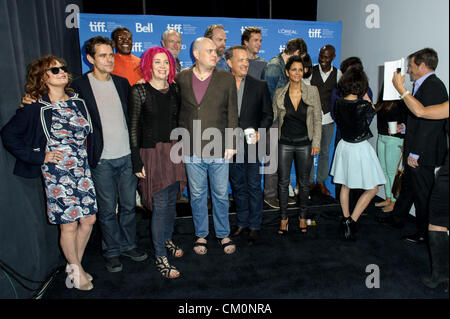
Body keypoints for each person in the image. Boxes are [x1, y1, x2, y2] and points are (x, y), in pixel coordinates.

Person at [2, 56, 96, 290]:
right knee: (69, 225)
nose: (62, 72)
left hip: (82, 168)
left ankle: (75, 266)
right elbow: (8, 135)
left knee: (89, 219)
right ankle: (76, 270)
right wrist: (40, 156)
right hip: (58, 172)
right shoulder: (37, 106)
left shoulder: (77, 101)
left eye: (63, 68)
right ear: (43, 77)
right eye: (55, 70)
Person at [72, 36, 148, 272]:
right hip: (101, 159)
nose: (108, 59)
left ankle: (128, 245)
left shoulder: (122, 83)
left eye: (110, 54)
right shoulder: (79, 87)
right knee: (106, 210)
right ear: (90, 58)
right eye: (102, 55)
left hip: (126, 157)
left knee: (127, 206)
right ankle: (112, 251)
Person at [128, 47, 187, 278]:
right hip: (152, 153)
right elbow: (133, 128)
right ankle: (160, 256)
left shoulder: (174, 89)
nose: (162, 66)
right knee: (160, 205)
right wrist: (136, 161)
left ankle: (167, 239)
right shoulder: (139, 91)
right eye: (157, 62)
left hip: (174, 151)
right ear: (149, 65)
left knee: (172, 201)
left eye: (166, 62)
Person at [176, 37, 238, 255]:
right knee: (197, 195)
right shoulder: (181, 77)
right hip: (191, 148)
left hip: (220, 147)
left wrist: (231, 142)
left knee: (221, 194)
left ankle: (223, 233)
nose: (215, 55)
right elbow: (176, 110)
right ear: (196, 53)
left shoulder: (226, 78)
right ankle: (201, 234)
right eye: (210, 51)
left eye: (216, 52)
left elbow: (232, 112)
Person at [393, 70, 449, 292]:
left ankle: (441, 276)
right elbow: (422, 113)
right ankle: (440, 275)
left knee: (436, 216)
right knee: (436, 216)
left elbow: (422, 112)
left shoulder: (434, 87)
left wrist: (401, 89)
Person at [386, 48, 448, 245]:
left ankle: (424, 233)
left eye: (411, 66)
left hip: (423, 153)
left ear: (421, 65)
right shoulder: (424, 85)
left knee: (423, 193)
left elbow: (431, 124)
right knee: (409, 187)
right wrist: (404, 127)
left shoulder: (434, 86)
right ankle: (397, 219)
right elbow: (420, 118)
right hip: (416, 148)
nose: (409, 70)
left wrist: (416, 152)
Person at [330, 68, 386, 241]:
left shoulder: (338, 103)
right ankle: (352, 220)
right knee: (373, 188)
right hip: (359, 148)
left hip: (344, 146)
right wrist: (369, 102)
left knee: (345, 185)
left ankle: (346, 218)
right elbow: (371, 115)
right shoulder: (364, 106)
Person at [225, 45, 273, 245]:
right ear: (229, 63)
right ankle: (242, 222)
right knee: (237, 185)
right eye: (241, 60)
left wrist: (260, 132)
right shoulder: (221, 84)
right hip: (229, 144)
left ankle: (255, 226)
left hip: (252, 144)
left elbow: (268, 114)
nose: (245, 63)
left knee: (253, 185)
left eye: (247, 60)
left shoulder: (259, 85)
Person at [273, 56, 322, 235]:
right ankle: (284, 218)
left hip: (304, 143)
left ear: (304, 72)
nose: (297, 73)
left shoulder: (312, 91)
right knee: (283, 182)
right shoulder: (279, 93)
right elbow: (271, 116)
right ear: (287, 72)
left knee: (304, 183)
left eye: (300, 70)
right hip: (284, 143)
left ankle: (302, 217)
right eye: (293, 69)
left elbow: (317, 119)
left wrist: (316, 143)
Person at [262, 37, 308, 209]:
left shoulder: (286, 68)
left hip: (284, 123)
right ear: (296, 53)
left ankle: (278, 194)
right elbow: (267, 97)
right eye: (301, 57)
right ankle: (270, 195)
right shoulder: (274, 67)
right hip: (273, 122)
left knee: (280, 161)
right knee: (272, 161)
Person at [309, 45, 342, 196]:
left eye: (327, 57)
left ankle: (321, 181)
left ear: (333, 57)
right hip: (311, 120)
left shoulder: (338, 74)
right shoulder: (310, 71)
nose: (323, 60)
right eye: (321, 56)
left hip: (329, 119)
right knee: (309, 151)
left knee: (324, 152)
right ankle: (309, 182)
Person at [374, 86, 407, 213]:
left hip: (395, 139)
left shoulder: (401, 101)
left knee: (392, 171)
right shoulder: (382, 101)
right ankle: (388, 198)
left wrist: (401, 127)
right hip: (382, 137)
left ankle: (394, 201)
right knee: (384, 170)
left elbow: (407, 121)